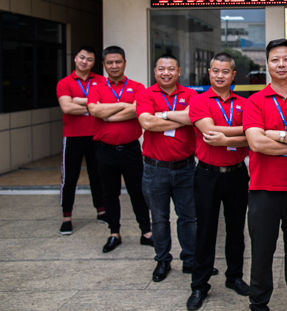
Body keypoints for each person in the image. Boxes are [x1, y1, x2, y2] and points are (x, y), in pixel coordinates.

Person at [243, 39, 287, 311]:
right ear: (267, 64)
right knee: (261, 254)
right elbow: (256, 143)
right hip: (263, 189)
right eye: (275, 60)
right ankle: (259, 307)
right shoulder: (254, 101)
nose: (281, 65)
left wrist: (275, 134)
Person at [186, 53, 250, 311]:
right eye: (215, 71)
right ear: (209, 73)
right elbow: (209, 132)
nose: (220, 75)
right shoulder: (198, 101)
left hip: (237, 173)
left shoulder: (245, 103)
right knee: (205, 230)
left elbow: (251, 136)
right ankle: (199, 285)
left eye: (225, 71)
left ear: (233, 75)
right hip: (207, 175)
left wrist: (230, 136)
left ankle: (234, 277)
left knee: (236, 229)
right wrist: (245, 130)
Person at [136, 54, 197, 282]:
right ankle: (162, 260)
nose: (166, 73)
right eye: (161, 68)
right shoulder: (145, 94)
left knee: (188, 217)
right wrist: (180, 118)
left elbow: (192, 118)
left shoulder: (190, 94)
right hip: (155, 169)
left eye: (171, 68)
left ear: (179, 71)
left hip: (186, 168)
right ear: (155, 72)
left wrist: (161, 115)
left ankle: (190, 260)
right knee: (159, 218)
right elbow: (147, 122)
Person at [87, 46, 153, 253]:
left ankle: (146, 232)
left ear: (124, 63)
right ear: (103, 64)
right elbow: (93, 110)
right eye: (110, 62)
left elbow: (137, 109)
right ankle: (114, 232)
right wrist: (124, 105)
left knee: (138, 192)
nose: (114, 66)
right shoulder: (96, 86)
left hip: (131, 149)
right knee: (109, 193)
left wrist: (108, 115)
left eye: (118, 62)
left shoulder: (137, 86)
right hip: (105, 150)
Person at [56, 46, 106, 234]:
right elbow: (67, 108)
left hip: (97, 135)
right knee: (69, 178)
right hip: (73, 137)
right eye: (82, 58)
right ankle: (66, 217)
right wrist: (93, 106)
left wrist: (78, 100)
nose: (85, 62)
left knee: (98, 176)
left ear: (94, 63)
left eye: (89, 59)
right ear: (75, 58)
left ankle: (101, 211)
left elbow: (107, 103)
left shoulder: (101, 81)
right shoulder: (64, 83)